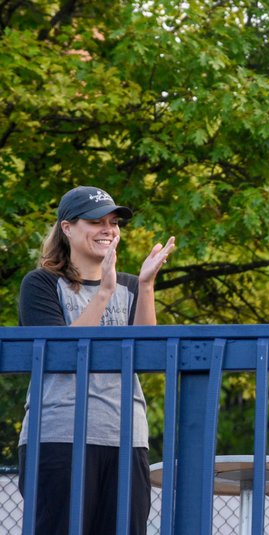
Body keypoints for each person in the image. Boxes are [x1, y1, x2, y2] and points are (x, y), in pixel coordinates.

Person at [17, 185, 175, 535]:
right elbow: (63, 354)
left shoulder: (131, 286)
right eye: (95, 221)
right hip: (59, 437)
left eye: (113, 222)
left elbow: (147, 355)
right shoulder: (41, 284)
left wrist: (147, 285)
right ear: (67, 228)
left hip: (127, 438)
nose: (108, 229)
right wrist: (104, 291)